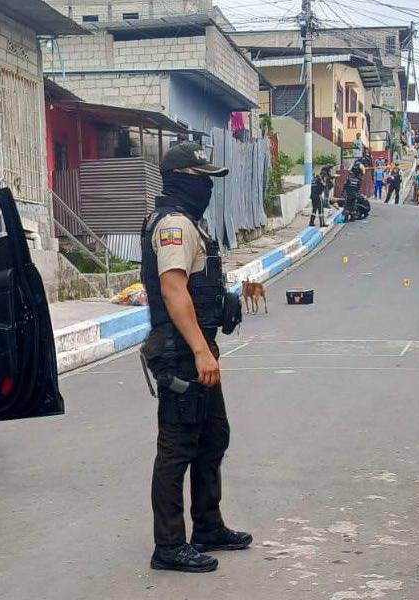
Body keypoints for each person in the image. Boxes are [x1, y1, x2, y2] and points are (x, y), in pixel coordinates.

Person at [138, 142, 250, 573]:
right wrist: (202, 351)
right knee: (177, 447)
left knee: (212, 437)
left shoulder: (187, 224)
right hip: (183, 352)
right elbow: (172, 289)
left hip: (198, 349)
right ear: (184, 178)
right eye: (203, 177)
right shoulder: (175, 226)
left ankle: (208, 526)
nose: (208, 186)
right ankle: (168, 546)